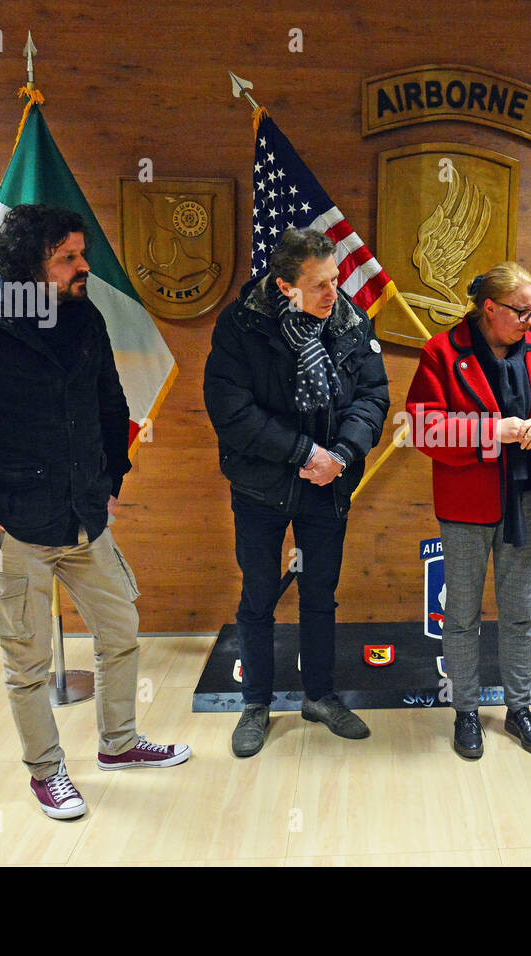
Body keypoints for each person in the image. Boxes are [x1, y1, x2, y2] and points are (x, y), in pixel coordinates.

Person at [0, 203, 189, 821]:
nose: (84, 267)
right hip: (14, 524)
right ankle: (46, 773)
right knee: (28, 664)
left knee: (121, 629)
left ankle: (120, 743)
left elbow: (110, 401)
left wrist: (112, 480)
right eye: (67, 259)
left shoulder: (83, 314)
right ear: (30, 269)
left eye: (82, 253)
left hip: (84, 516)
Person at [204, 228, 389, 758]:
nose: (333, 293)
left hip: (328, 484)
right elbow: (232, 412)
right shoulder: (242, 325)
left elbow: (373, 396)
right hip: (263, 486)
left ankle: (320, 697)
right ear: (284, 285)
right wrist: (304, 452)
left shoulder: (350, 321)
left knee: (319, 597)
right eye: (318, 285)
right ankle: (256, 703)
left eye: (334, 279)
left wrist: (342, 456)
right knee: (259, 596)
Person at [406, 262, 531, 759]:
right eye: (522, 311)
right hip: (467, 505)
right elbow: (423, 429)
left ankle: (519, 709)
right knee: (462, 615)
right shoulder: (441, 353)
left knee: (519, 615)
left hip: (528, 502)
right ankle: (466, 711)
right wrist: (493, 432)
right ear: (489, 308)